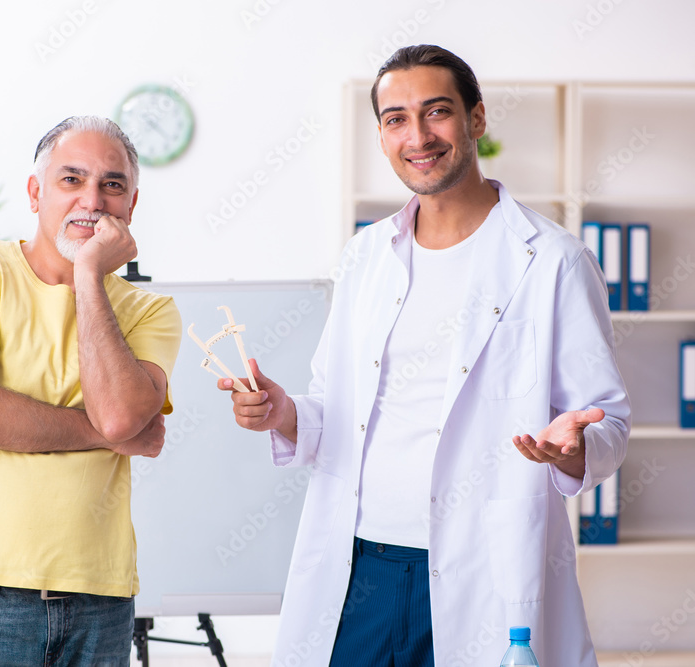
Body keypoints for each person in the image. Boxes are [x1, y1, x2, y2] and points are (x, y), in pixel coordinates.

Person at [218, 45, 629, 667]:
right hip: (360, 566)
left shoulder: (553, 260)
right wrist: (284, 413)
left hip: (482, 566)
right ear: (382, 135)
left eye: (437, 112)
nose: (418, 136)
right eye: (396, 119)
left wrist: (575, 448)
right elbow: (335, 408)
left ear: (476, 118)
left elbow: (608, 423)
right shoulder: (365, 256)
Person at [0, 115, 182, 666]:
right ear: (36, 192)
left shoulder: (150, 311)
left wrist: (88, 276)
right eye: (71, 179)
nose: (92, 200)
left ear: (131, 205)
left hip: (99, 599)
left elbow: (121, 417)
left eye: (112, 185)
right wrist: (104, 435)